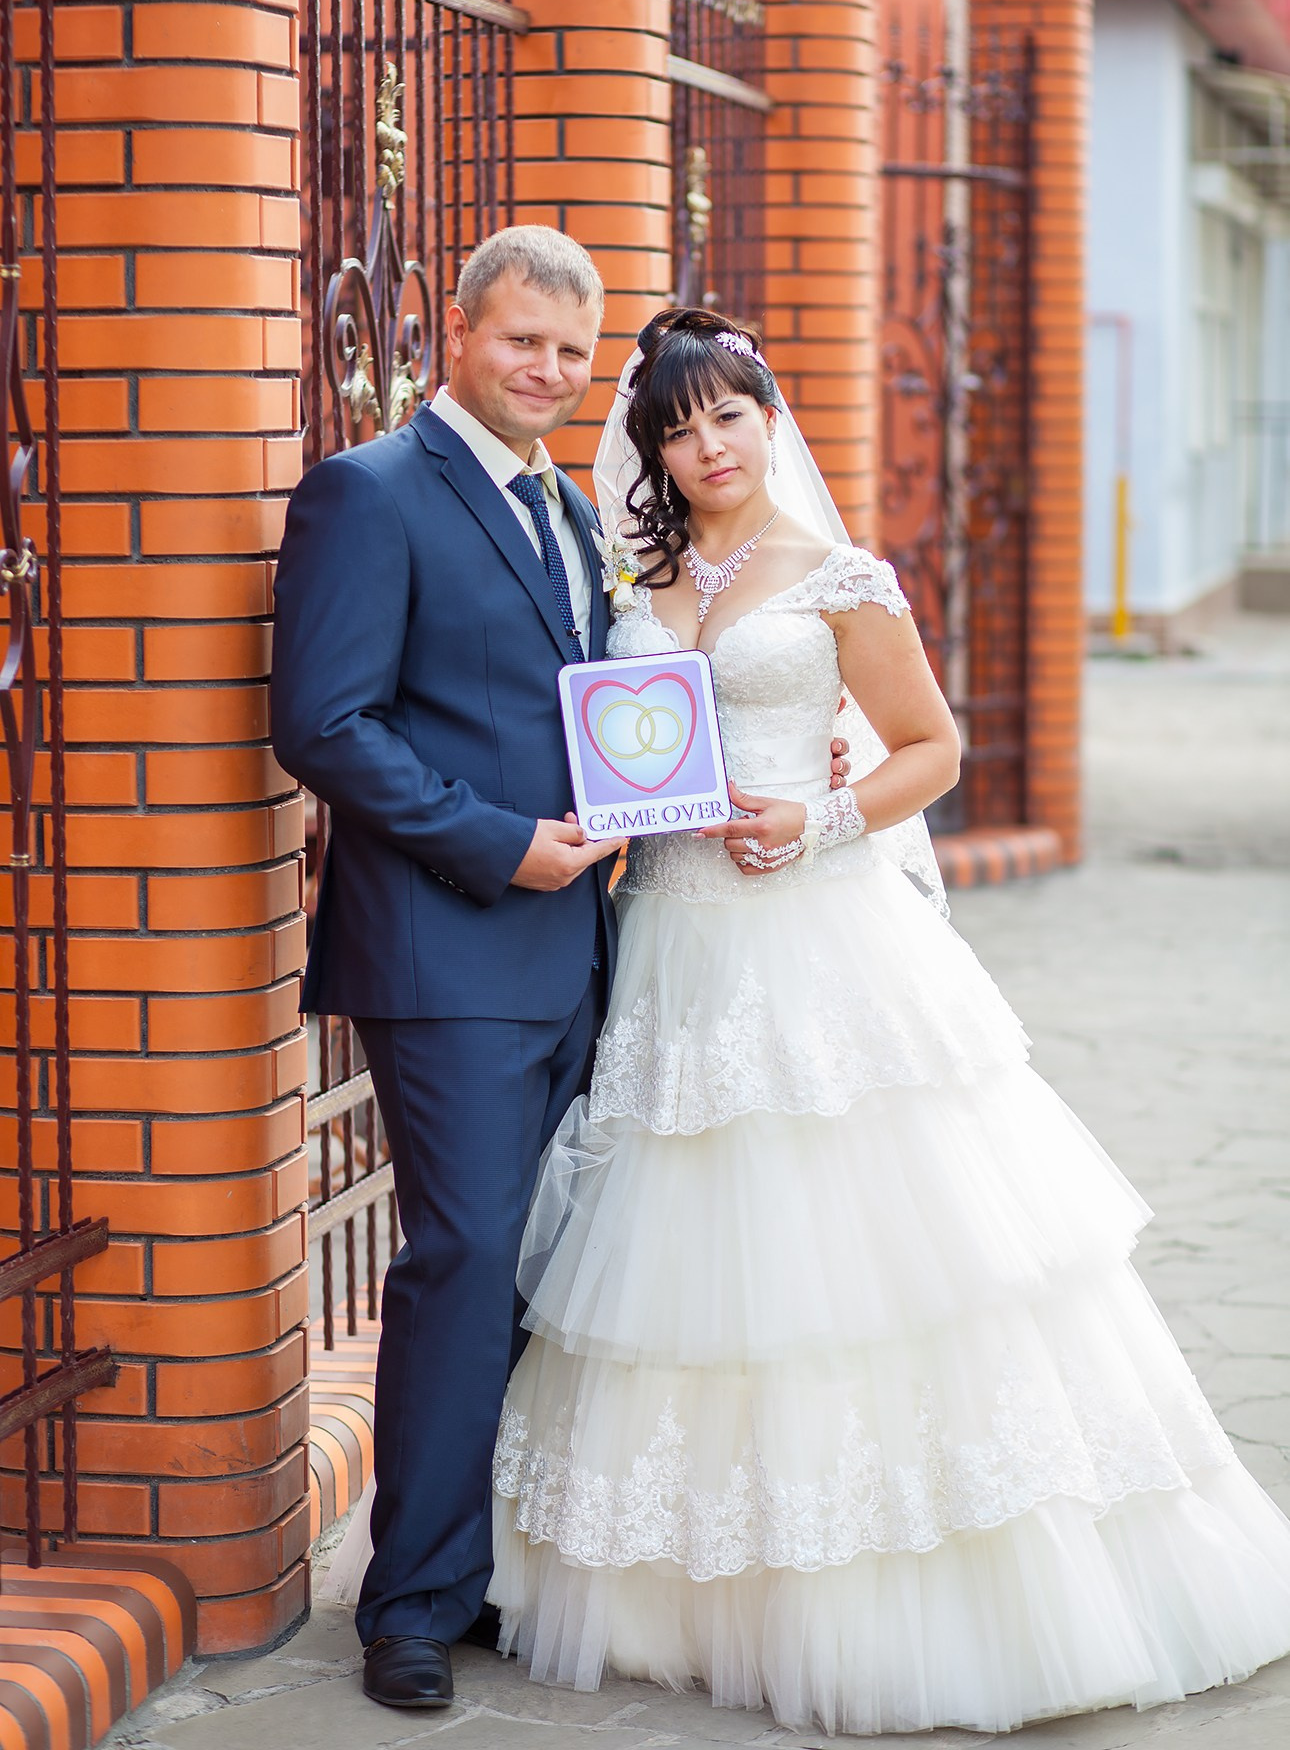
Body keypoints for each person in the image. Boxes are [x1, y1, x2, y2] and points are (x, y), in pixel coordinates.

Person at [486, 307, 1290, 1735]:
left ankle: (905, 1590)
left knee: (852, 1246)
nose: (705, 446)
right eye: (676, 426)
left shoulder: (837, 576)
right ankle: (690, 1594)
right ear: (650, 447)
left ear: (767, 419)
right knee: (685, 1254)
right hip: (669, 939)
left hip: (814, 941)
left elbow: (933, 750)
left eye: (727, 415)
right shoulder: (630, 574)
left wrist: (814, 821)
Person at [273, 232, 855, 1711]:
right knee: (466, 1257)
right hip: (446, 949)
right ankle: (409, 1605)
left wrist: (805, 760)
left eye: (570, 353)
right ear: (455, 333)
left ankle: (488, 1569)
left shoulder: (571, 509)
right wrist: (498, 842)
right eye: (519, 339)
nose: (545, 370)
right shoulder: (369, 492)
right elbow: (325, 724)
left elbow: (631, 706)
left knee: (553, 1264)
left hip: (591, 945)